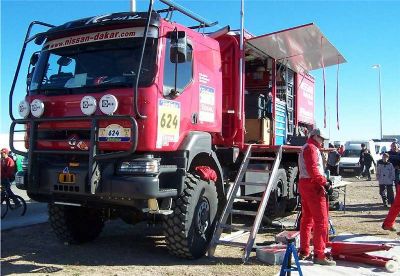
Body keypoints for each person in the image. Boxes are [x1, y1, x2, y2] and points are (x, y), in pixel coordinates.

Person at [298, 128, 336, 266]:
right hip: (313, 185)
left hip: (305, 184)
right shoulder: (312, 148)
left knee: (307, 219)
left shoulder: (307, 147)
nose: (322, 142)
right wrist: (325, 183)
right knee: (321, 221)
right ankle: (319, 254)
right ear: (315, 136)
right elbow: (313, 169)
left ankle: (304, 250)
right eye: (321, 139)